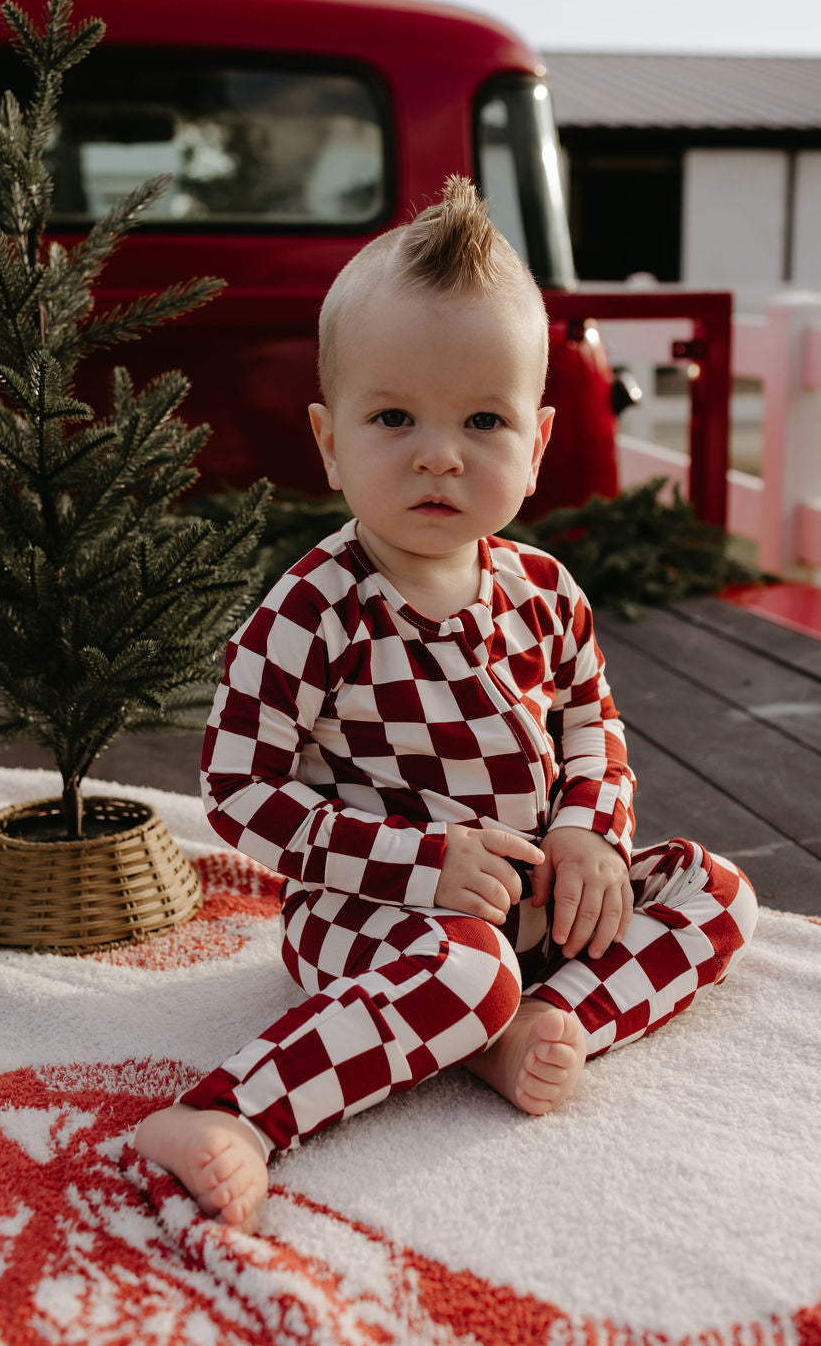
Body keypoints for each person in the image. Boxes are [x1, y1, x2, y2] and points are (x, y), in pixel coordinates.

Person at [134, 176, 758, 1232]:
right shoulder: (315, 607)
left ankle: (548, 1019)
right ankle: (231, 1112)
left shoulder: (544, 589)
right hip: (377, 915)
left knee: (714, 890)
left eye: (481, 418)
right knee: (468, 971)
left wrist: (586, 835)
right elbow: (239, 790)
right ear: (331, 442)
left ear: (538, 439)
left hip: (531, 900)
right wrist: (422, 866)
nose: (438, 451)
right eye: (394, 416)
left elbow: (588, 723)